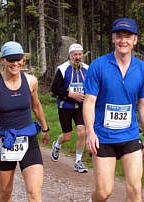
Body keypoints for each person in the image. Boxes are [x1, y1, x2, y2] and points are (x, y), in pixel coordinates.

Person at [83, 18, 144, 202]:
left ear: (135, 40)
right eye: (119, 36)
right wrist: (90, 132)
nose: (123, 40)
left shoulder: (142, 70)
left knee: (136, 188)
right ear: (113, 39)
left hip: (130, 136)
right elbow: (89, 102)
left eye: (128, 36)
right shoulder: (98, 66)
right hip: (103, 137)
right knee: (103, 193)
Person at [0, 41, 49, 202]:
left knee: (34, 193)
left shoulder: (31, 81)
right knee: (5, 191)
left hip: (28, 139)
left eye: (19, 59)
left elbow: (36, 106)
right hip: (4, 141)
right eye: (11, 59)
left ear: (23, 59)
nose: (15, 63)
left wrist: (45, 128)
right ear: (3, 60)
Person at [50, 43, 89, 173]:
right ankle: (57, 144)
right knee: (67, 136)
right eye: (75, 55)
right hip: (65, 106)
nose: (78, 57)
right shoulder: (62, 69)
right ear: (69, 56)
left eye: (79, 54)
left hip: (80, 106)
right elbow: (54, 89)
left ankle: (78, 161)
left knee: (81, 131)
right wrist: (70, 94)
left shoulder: (87, 69)